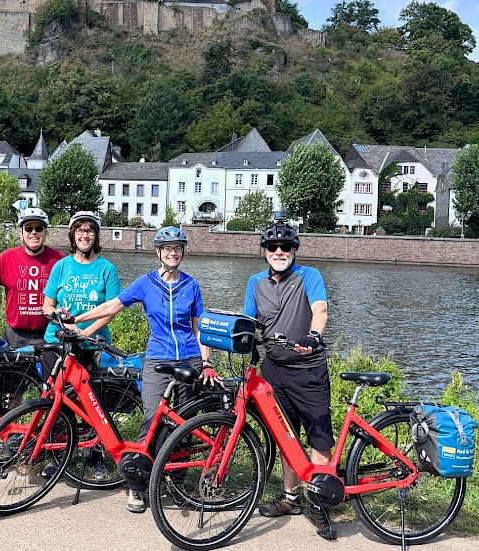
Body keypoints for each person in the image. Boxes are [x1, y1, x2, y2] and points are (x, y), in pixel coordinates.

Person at [71, 225, 220, 514]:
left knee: (184, 423)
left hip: (189, 359)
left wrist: (207, 362)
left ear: (182, 252)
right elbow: (112, 306)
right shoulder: (146, 283)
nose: (173, 253)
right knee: (152, 418)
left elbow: (199, 328)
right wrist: (77, 320)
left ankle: (177, 481)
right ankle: (137, 483)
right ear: (158, 252)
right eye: (168, 248)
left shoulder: (191, 285)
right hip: (158, 359)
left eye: (178, 248)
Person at [243, 213, 336, 541]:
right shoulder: (255, 282)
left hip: (308, 370)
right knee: (286, 435)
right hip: (274, 371)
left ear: (294, 250)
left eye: (285, 247)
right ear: (265, 251)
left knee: (318, 436)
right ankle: (291, 497)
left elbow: (320, 309)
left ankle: (320, 504)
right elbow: (248, 322)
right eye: (273, 247)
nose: (279, 252)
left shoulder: (309, 276)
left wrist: (314, 336)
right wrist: (243, 342)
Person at [41, 210, 121, 482]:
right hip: (57, 343)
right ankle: (55, 455)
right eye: (80, 230)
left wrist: (85, 331)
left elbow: (111, 310)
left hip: (91, 345)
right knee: (55, 399)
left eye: (89, 230)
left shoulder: (106, 269)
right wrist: (58, 318)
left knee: (92, 402)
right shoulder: (61, 266)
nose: (84, 235)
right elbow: (47, 304)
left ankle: (94, 455)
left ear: (96, 236)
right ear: (73, 235)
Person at [0, 207, 64, 361]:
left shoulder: (59, 259)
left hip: (49, 334)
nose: (33, 232)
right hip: (15, 337)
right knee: (9, 377)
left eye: (38, 228)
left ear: (45, 233)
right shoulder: (7, 257)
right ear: (21, 233)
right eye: (28, 228)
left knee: (50, 377)